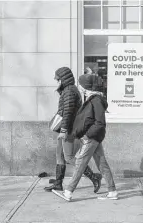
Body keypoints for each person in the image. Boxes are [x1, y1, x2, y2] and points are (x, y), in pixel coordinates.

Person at [58, 73, 118, 202]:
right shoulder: (93, 99)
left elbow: (100, 123)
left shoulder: (96, 100)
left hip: (91, 138)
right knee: (102, 164)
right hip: (94, 138)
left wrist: (87, 136)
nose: (79, 87)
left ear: (86, 87)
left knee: (80, 163)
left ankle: (68, 191)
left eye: (81, 85)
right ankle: (112, 191)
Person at [44, 67, 102, 193]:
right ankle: (58, 182)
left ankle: (94, 177)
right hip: (66, 128)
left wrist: (64, 130)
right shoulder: (67, 90)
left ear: (63, 79)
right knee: (59, 155)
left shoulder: (70, 91)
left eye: (58, 79)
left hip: (70, 129)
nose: (56, 81)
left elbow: (68, 113)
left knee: (69, 157)